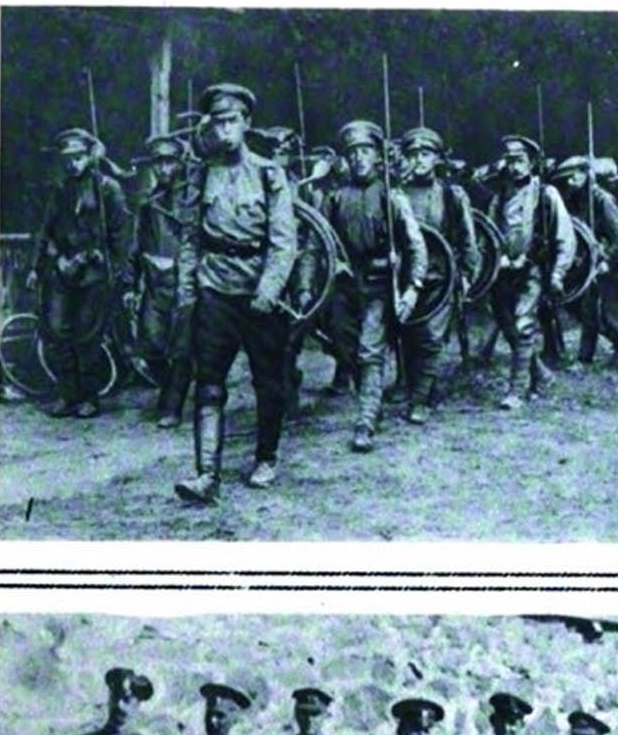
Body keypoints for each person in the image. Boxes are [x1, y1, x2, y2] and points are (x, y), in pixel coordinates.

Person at [173, 83, 298, 500]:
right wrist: (187, 290)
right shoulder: (202, 172)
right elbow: (190, 237)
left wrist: (268, 289)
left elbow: (284, 241)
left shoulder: (268, 172)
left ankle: (266, 457)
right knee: (208, 382)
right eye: (218, 121)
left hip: (259, 293)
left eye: (232, 121)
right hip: (215, 290)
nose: (224, 130)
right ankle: (206, 474)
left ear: (246, 123)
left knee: (268, 381)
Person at [322, 118, 428, 453]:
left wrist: (413, 286)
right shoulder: (334, 198)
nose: (358, 158)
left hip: (380, 284)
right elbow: (318, 243)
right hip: (343, 285)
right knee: (345, 347)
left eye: (365, 151)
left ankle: (366, 420)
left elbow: (416, 245)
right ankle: (372, 400)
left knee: (370, 349)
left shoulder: (392, 196)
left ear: (378, 156)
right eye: (352, 152)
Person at [31, 128, 130, 419]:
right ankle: (67, 395)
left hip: (95, 273)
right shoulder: (60, 190)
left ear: (90, 156)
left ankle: (89, 397)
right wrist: (38, 266)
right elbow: (45, 229)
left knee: (88, 335)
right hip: (62, 269)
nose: (73, 163)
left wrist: (116, 270)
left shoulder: (108, 188)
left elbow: (121, 234)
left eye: (78, 157)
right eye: (68, 158)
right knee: (57, 331)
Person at [486, 136, 576, 408]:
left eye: (520, 161)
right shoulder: (500, 196)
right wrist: (496, 260)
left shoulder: (546, 195)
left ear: (532, 163)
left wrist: (558, 273)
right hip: (504, 271)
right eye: (510, 161)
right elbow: (489, 235)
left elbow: (565, 236)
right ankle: (540, 376)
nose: (514, 167)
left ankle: (517, 390)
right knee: (508, 325)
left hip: (534, 268)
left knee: (524, 324)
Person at [397, 125, 479, 422]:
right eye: (413, 154)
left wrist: (468, 274)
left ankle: (420, 401)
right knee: (407, 334)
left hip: (442, 278)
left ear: (437, 159)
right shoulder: (395, 194)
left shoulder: (451, 195)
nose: (419, 160)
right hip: (405, 277)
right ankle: (417, 387)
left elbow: (467, 239)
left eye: (426, 154)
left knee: (431, 337)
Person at [129, 132, 194, 425]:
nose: (164, 170)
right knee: (151, 345)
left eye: (169, 163)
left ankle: (172, 406)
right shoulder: (149, 204)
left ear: (181, 164)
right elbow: (137, 245)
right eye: (159, 164)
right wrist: (131, 283)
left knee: (182, 349)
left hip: (187, 284)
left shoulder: (195, 201)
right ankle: (170, 388)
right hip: (156, 284)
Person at [553, 154, 618, 364]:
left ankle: (584, 358)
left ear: (585, 174)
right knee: (575, 306)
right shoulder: (574, 197)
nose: (569, 182)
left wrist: (607, 261)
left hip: (600, 261)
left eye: (573, 177)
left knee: (589, 309)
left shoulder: (602, 199)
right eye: (566, 179)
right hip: (580, 261)